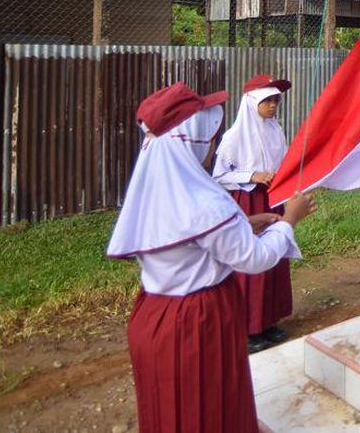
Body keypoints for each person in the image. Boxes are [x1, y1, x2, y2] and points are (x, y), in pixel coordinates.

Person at [108, 83, 315, 433]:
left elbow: (191, 242)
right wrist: (291, 219)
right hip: (196, 322)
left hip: (154, 315)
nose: (213, 147)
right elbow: (255, 259)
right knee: (205, 404)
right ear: (194, 144)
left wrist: (243, 224)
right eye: (209, 140)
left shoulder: (155, 190)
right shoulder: (205, 202)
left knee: (169, 406)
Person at [213, 74, 295, 353]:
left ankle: (268, 320)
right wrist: (252, 175)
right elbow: (219, 174)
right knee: (251, 262)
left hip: (274, 199)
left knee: (274, 257)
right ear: (251, 103)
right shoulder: (234, 136)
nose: (273, 106)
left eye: (275, 100)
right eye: (267, 100)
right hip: (249, 202)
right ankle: (248, 328)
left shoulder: (275, 129)